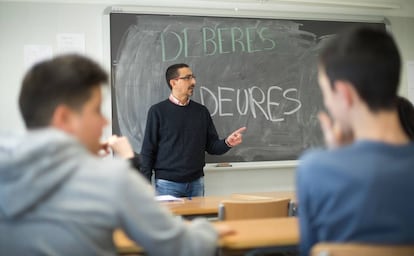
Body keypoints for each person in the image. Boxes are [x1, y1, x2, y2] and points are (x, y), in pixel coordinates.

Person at [0, 54, 232, 256]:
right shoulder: (111, 179)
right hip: (168, 186)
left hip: (194, 178)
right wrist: (205, 229)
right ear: (64, 118)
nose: (105, 121)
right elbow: (179, 246)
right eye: (96, 111)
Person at [296, 26, 414, 256]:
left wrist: (336, 156)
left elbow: (312, 250)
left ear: (344, 93)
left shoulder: (315, 169)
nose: (328, 104)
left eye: (325, 93)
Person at [140, 63, 246, 197]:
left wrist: (228, 142)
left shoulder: (201, 112)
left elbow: (212, 146)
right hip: (167, 184)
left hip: (196, 183)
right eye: (188, 78)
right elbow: (148, 149)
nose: (193, 82)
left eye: (193, 77)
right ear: (174, 82)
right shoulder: (157, 111)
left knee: (197, 219)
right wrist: (145, 183)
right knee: (170, 219)